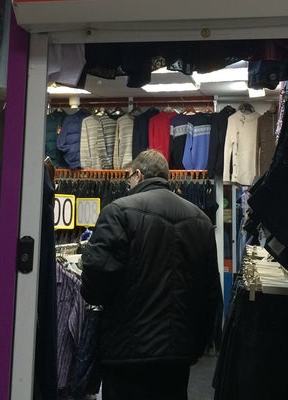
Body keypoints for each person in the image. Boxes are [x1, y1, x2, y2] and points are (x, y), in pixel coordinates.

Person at [80, 149, 222, 400]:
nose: (127, 184)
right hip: (178, 354)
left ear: (138, 174)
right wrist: (197, 346)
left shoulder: (119, 212)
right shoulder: (201, 221)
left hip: (126, 352)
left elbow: (96, 283)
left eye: (128, 178)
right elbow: (211, 294)